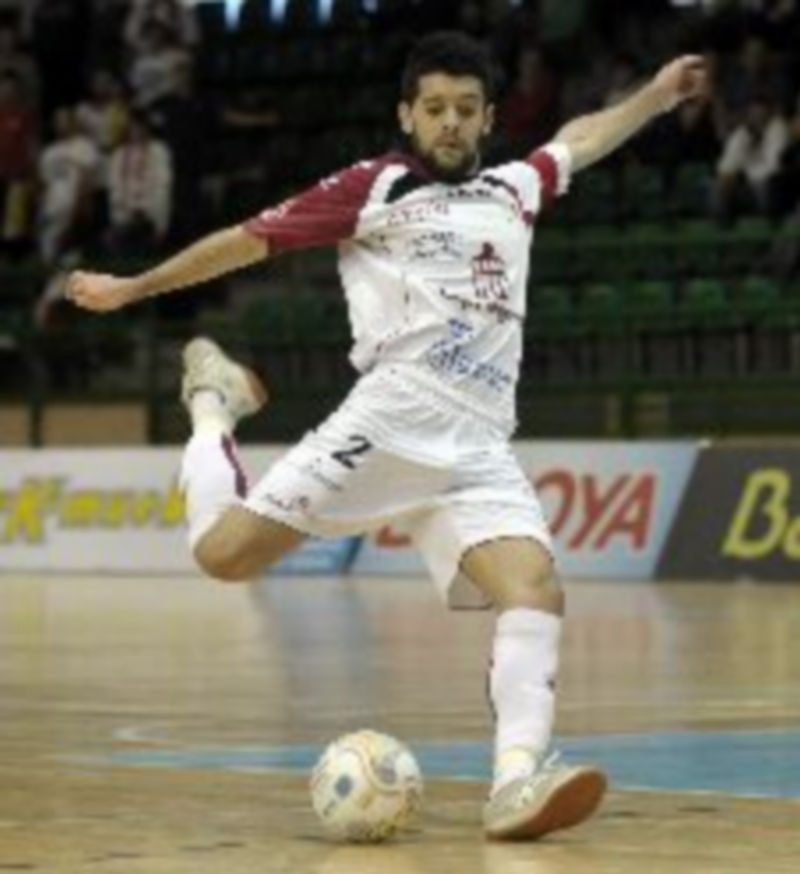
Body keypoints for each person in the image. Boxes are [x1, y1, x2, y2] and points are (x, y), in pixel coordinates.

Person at [66, 32, 707, 841]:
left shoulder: (515, 189)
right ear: (408, 113)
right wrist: (138, 287)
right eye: (434, 108)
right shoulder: (375, 187)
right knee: (221, 557)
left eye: (466, 111)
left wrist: (653, 95)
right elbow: (250, 238)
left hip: (478, 449)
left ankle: (514, 784)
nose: (449, 123)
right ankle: (213, 406)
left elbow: (577, 139)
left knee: (536, 591)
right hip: (389, 423)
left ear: (486, 120)